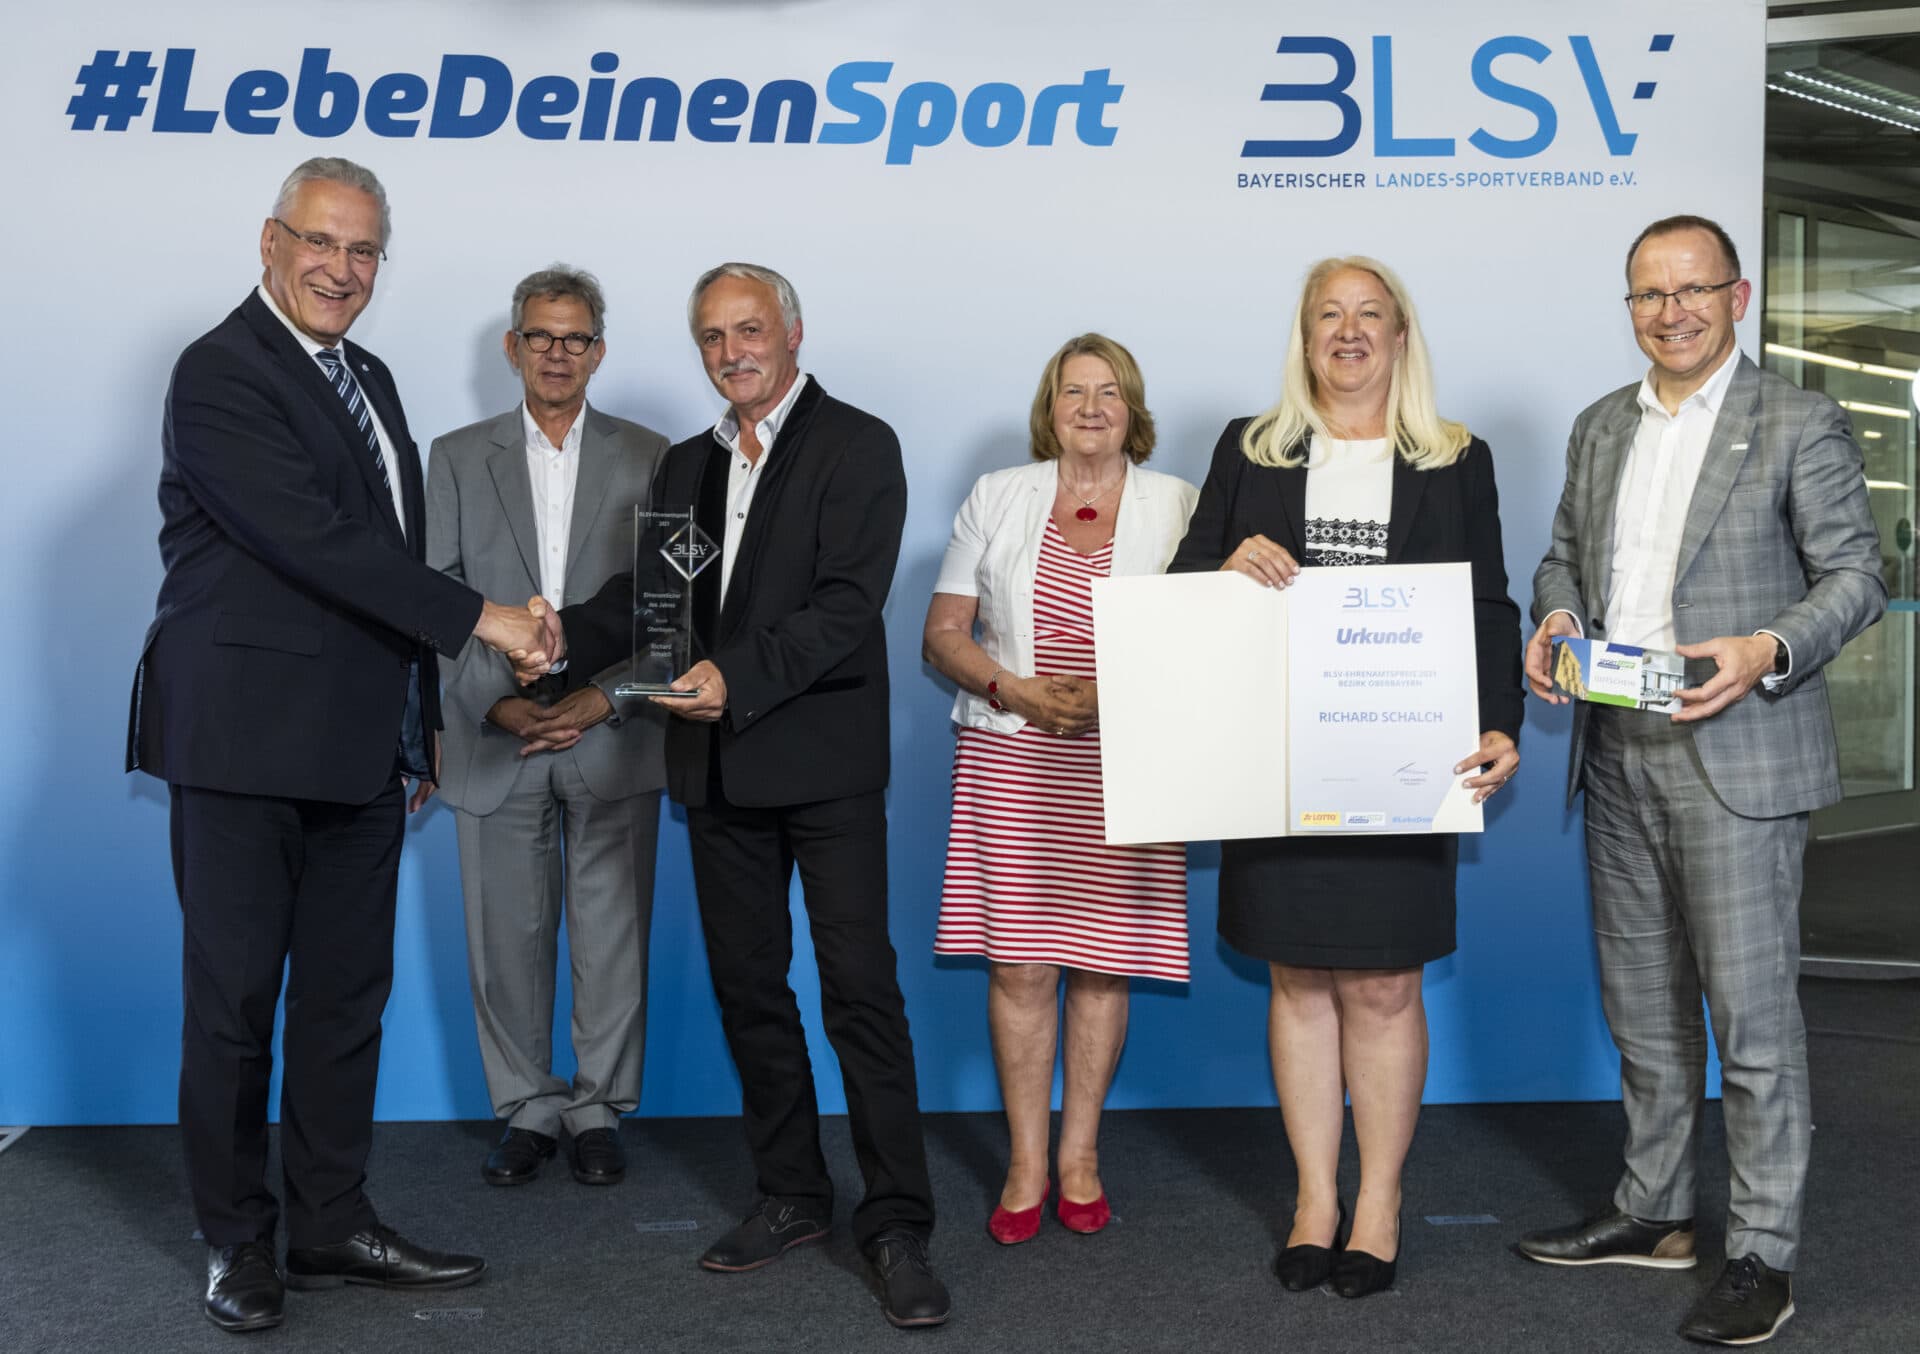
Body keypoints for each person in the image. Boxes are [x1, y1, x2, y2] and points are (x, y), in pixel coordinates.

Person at [126, 157, 560, 1334]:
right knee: (233, 1007)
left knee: (343, 1000)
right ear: (271, 242)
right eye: (320, 241)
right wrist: (488, 619)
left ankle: (328, 1222)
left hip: (362, 753)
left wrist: (420, 726)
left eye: (364, 250)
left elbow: (384, 563)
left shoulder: (367, 376)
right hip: (242, 748)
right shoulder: (220, 370)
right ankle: (236, 1241)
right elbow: (314, 540)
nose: (341, 268)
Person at [552, 263, 949, 1329]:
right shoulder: (686, 465)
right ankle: (792, 1193)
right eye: (713, 337)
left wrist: (736, 676)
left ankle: (897, 1221)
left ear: (792, 332)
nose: (732, 352)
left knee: (859, 992)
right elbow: (650, 602)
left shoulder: (859, 446)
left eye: (749, 330)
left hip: (824, 768)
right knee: (750, 990)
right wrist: (552, 633)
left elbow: (846, 607)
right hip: (716, 770)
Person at [1516, 215, 1886, 1347]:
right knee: (1644, 1009)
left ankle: (1763, 1253)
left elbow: (1857, 574)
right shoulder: (1600, 426)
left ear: (1738, 295)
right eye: (1648, 294)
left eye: (1692, 289)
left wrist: (1766, 648)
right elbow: (1562, 559)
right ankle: (1657, 1211)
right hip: (1616, 746)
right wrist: (1558, 618)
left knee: (1754, 1024)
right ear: (1629, 307)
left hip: (1738, 754)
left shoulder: (1799, 420)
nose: (1670, 311)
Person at [1168, 256, 1523, 1299]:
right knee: (1297, 976)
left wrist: (1500, 721)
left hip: (1404, 757)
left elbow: (1489, 604)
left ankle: (1380, 1202)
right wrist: (1226, 568)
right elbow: (1184, 582)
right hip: (1276, 760)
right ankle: (1316, 1199)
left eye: (1371, 313)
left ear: (1402, 336)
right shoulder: (1250, 447)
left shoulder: (1457, 457)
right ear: (1305, 336)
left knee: (1382, 981)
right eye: (1329, 313)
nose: (1349, 330)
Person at [922, 334, 1197, 1243]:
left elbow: (1206, 640)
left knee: (1105, 963)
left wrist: (1117, 696)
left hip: (1131, 760)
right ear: (1050, 408)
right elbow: (944, 633)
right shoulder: (998, 494)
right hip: (1013, 753)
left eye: (1108, 392)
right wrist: (1016, 691)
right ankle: (1027, 1162)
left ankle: (1080, 1157)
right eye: (1073, 391)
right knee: (1021, 964)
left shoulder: (1180, 503)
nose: (1090, 408)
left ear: (1133, 409)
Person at [425, 266, 669, 1189]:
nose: (557, 354)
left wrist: (602, 699)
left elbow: (667, 610)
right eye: (540, 336)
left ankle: (598, 1107)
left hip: (613, 728)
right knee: (504, 937)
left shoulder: (655, 456)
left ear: (598, 351)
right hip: (494, 731)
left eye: (575, 339)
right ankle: (527, 1107)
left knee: (613, 936)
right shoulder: (455, 456)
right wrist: (497, 701)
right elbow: (436, 595)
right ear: (512, 346)